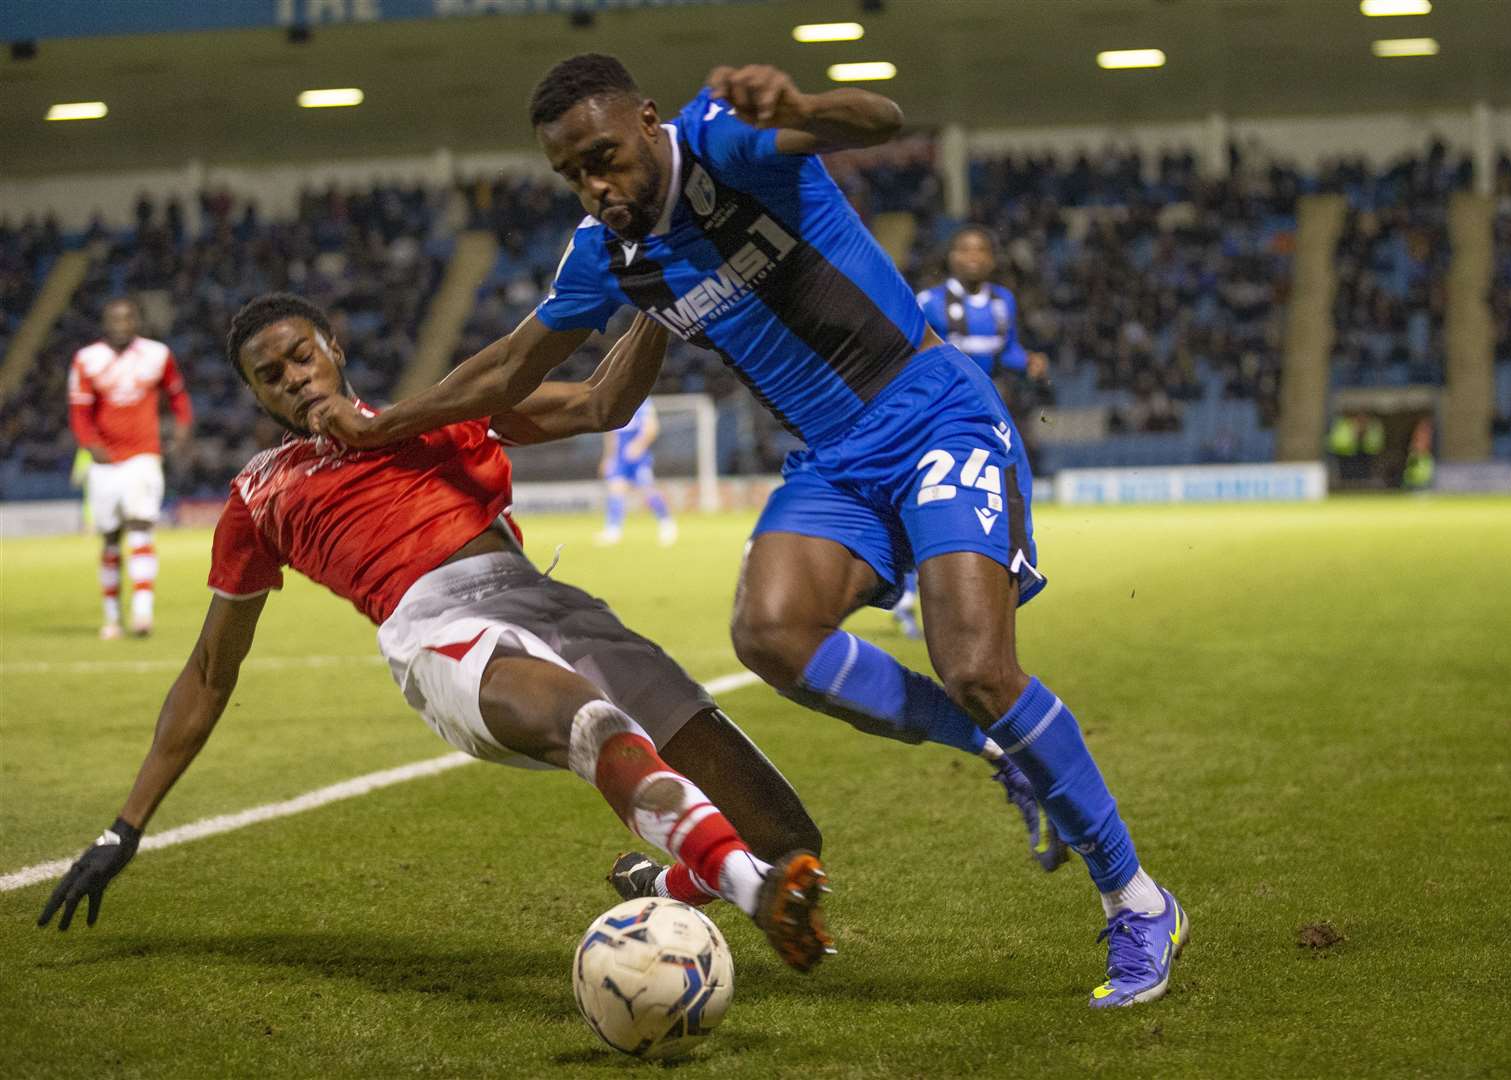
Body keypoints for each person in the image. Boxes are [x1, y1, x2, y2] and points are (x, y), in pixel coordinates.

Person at [308, 56, 1185, 1008]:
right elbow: (526, 365)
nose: (596, 185)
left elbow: (879, 118)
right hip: (833, 459)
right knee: (771, 637)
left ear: (648, 122)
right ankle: (997, 750)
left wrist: (804, 107)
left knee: (976, 666)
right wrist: (387, 425)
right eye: (573, 174)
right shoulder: (608, 255)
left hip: (933, 413)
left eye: (605, 157)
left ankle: (1136, 901)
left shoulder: (722, 142)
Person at [38, 293, 832, 975]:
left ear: (334, 349)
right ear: (255, 395)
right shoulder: (261, 492)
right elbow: (211, 672)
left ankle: (671, 885)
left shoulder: (436, 415)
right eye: (270, 377)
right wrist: (126, 825)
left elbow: (599, 405)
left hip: (547, 605)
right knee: (587, 721)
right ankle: (753, 893)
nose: (294, 380)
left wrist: (662, 308)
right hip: (438, 630)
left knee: (789, 837)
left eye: (301, 357)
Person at [900, 226, 1050, 637]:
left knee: (1011, 486)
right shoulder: (928, 303)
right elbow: (908, 355)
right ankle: (910, 586)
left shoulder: (1004, 303)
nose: (972, 256)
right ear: (951, 257)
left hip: (988, 413)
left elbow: (1008, 352)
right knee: (934, 499)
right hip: (939, 418)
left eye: (980, 249)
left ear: (991, 258)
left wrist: (1029, 362)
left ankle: (1015, 567)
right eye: (964, 249)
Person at [68, 298, 192, 639]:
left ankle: (142, 613)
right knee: (110, 538)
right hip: (105, 462)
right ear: (105, 322)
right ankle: (111, 617)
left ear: (137, 321)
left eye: (128, 318)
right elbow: (79, 412)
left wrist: (182, 429)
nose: (122, 324)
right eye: (115, 319)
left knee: (141, 528)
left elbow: (178, 396)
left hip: (143, 455)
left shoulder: (157, 354)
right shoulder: (87, 359)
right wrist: (90, 444)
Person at [597, 399, 677, 546]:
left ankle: (667, 523)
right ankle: (613, 530)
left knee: (648, 490)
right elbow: (610, 433)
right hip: (619, 456)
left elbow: (652, 428)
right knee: (615, 489)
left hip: (638, 455)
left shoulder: (642, 402)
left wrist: (638, 445)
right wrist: (608, 456)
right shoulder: (615, 401)